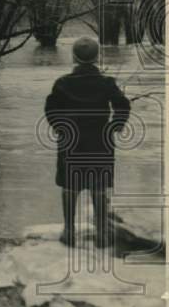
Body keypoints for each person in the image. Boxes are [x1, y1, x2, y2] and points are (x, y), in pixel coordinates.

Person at [44, 36, 130, 248]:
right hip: (100, 141)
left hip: (71, 141)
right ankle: (101, 233)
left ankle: (69, 231)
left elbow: (50, 109)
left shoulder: (62, 83)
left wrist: (61, 128)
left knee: (70, 186)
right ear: (97, 57)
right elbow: (123, 105)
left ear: (74, 57)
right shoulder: (107, 82)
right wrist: (115, 126)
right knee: (99, 187)